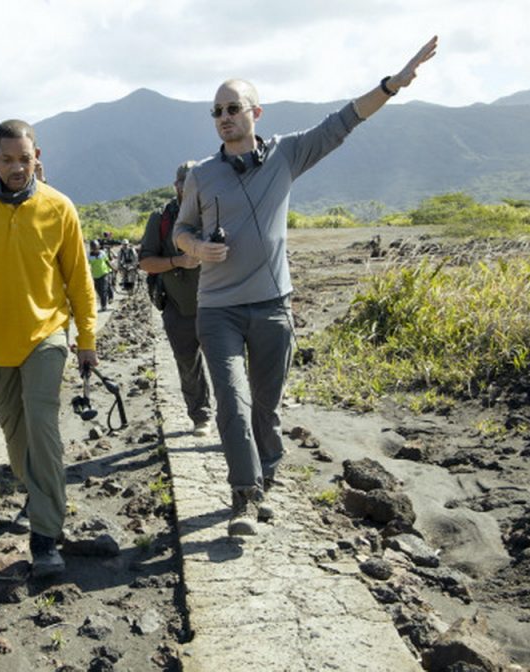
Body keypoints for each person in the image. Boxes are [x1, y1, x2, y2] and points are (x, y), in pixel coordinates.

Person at [174, 37, 438, 536]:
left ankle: (266, 477)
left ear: (256, 112)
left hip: (273, 306)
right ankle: (244, 498)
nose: (224, 117)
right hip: (218, 309)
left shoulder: (287, 155)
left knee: (266, 410)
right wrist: (194, 249)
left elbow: (342, 122)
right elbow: (180, 230)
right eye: (216, 111)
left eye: (233, 108)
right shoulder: (202, 175)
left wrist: (391, 85)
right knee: (231, 402)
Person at [0, 119, 98, 577]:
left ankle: (45, 537)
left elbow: (79, 280)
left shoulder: (59, 207)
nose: (15, 167)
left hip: (47, 335)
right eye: (7, 159)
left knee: (42, 425)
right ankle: (46, 498)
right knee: (15, 437)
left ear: (37, 158)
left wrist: (85, 338)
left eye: (24, 160)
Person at [139, 161, 213, 437]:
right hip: (178, 307)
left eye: (194, 180)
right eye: (184, 181)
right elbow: (145, 262)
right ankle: (201, 416)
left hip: (217, 305)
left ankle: (235, 422)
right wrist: (178, 261)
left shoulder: (215, 211)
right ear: (176, 185)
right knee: (187, 365)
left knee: (228, 367)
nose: (189, 186)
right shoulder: (161, 218)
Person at [88, 239, 115, 311]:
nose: (95, 250)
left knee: (103, 290)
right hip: (95, 276)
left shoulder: (102, 253)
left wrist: (113, 268)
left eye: (97, 248)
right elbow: (87, 265)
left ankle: (104, 306)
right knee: (99, 291)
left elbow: (107, 262)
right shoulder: (89, 256)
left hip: (104, 273)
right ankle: (110, 296)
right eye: (94, 248)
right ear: (91, 248)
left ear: (99, 247)